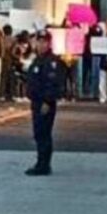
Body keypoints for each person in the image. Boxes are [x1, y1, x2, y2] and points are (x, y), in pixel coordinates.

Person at [24, 32, 67, 176]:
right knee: (38, 133)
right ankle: (40, 162)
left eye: (44, 42)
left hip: (44, 103)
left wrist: (47, 101)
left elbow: (54, 83)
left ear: (49, 43)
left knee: (43, 134)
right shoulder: (37, 60)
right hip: (36, 102)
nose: (41, 45)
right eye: (39, 41)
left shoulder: (52, 62)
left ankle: (44, 165)